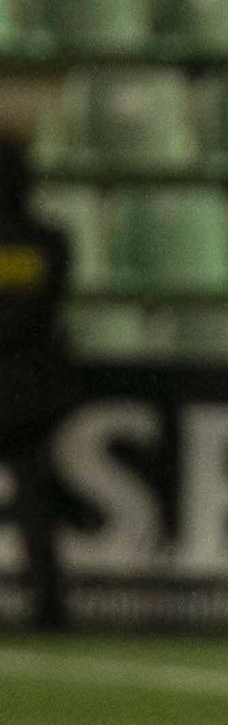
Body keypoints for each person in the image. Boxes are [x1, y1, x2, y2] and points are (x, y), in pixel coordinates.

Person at [0, 138, 74, 632]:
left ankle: (48, 605)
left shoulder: (47, 240)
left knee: (34, 501)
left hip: (21, 384)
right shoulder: (49, 239)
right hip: (31, 386)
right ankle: (47, 607)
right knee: (34, 501)